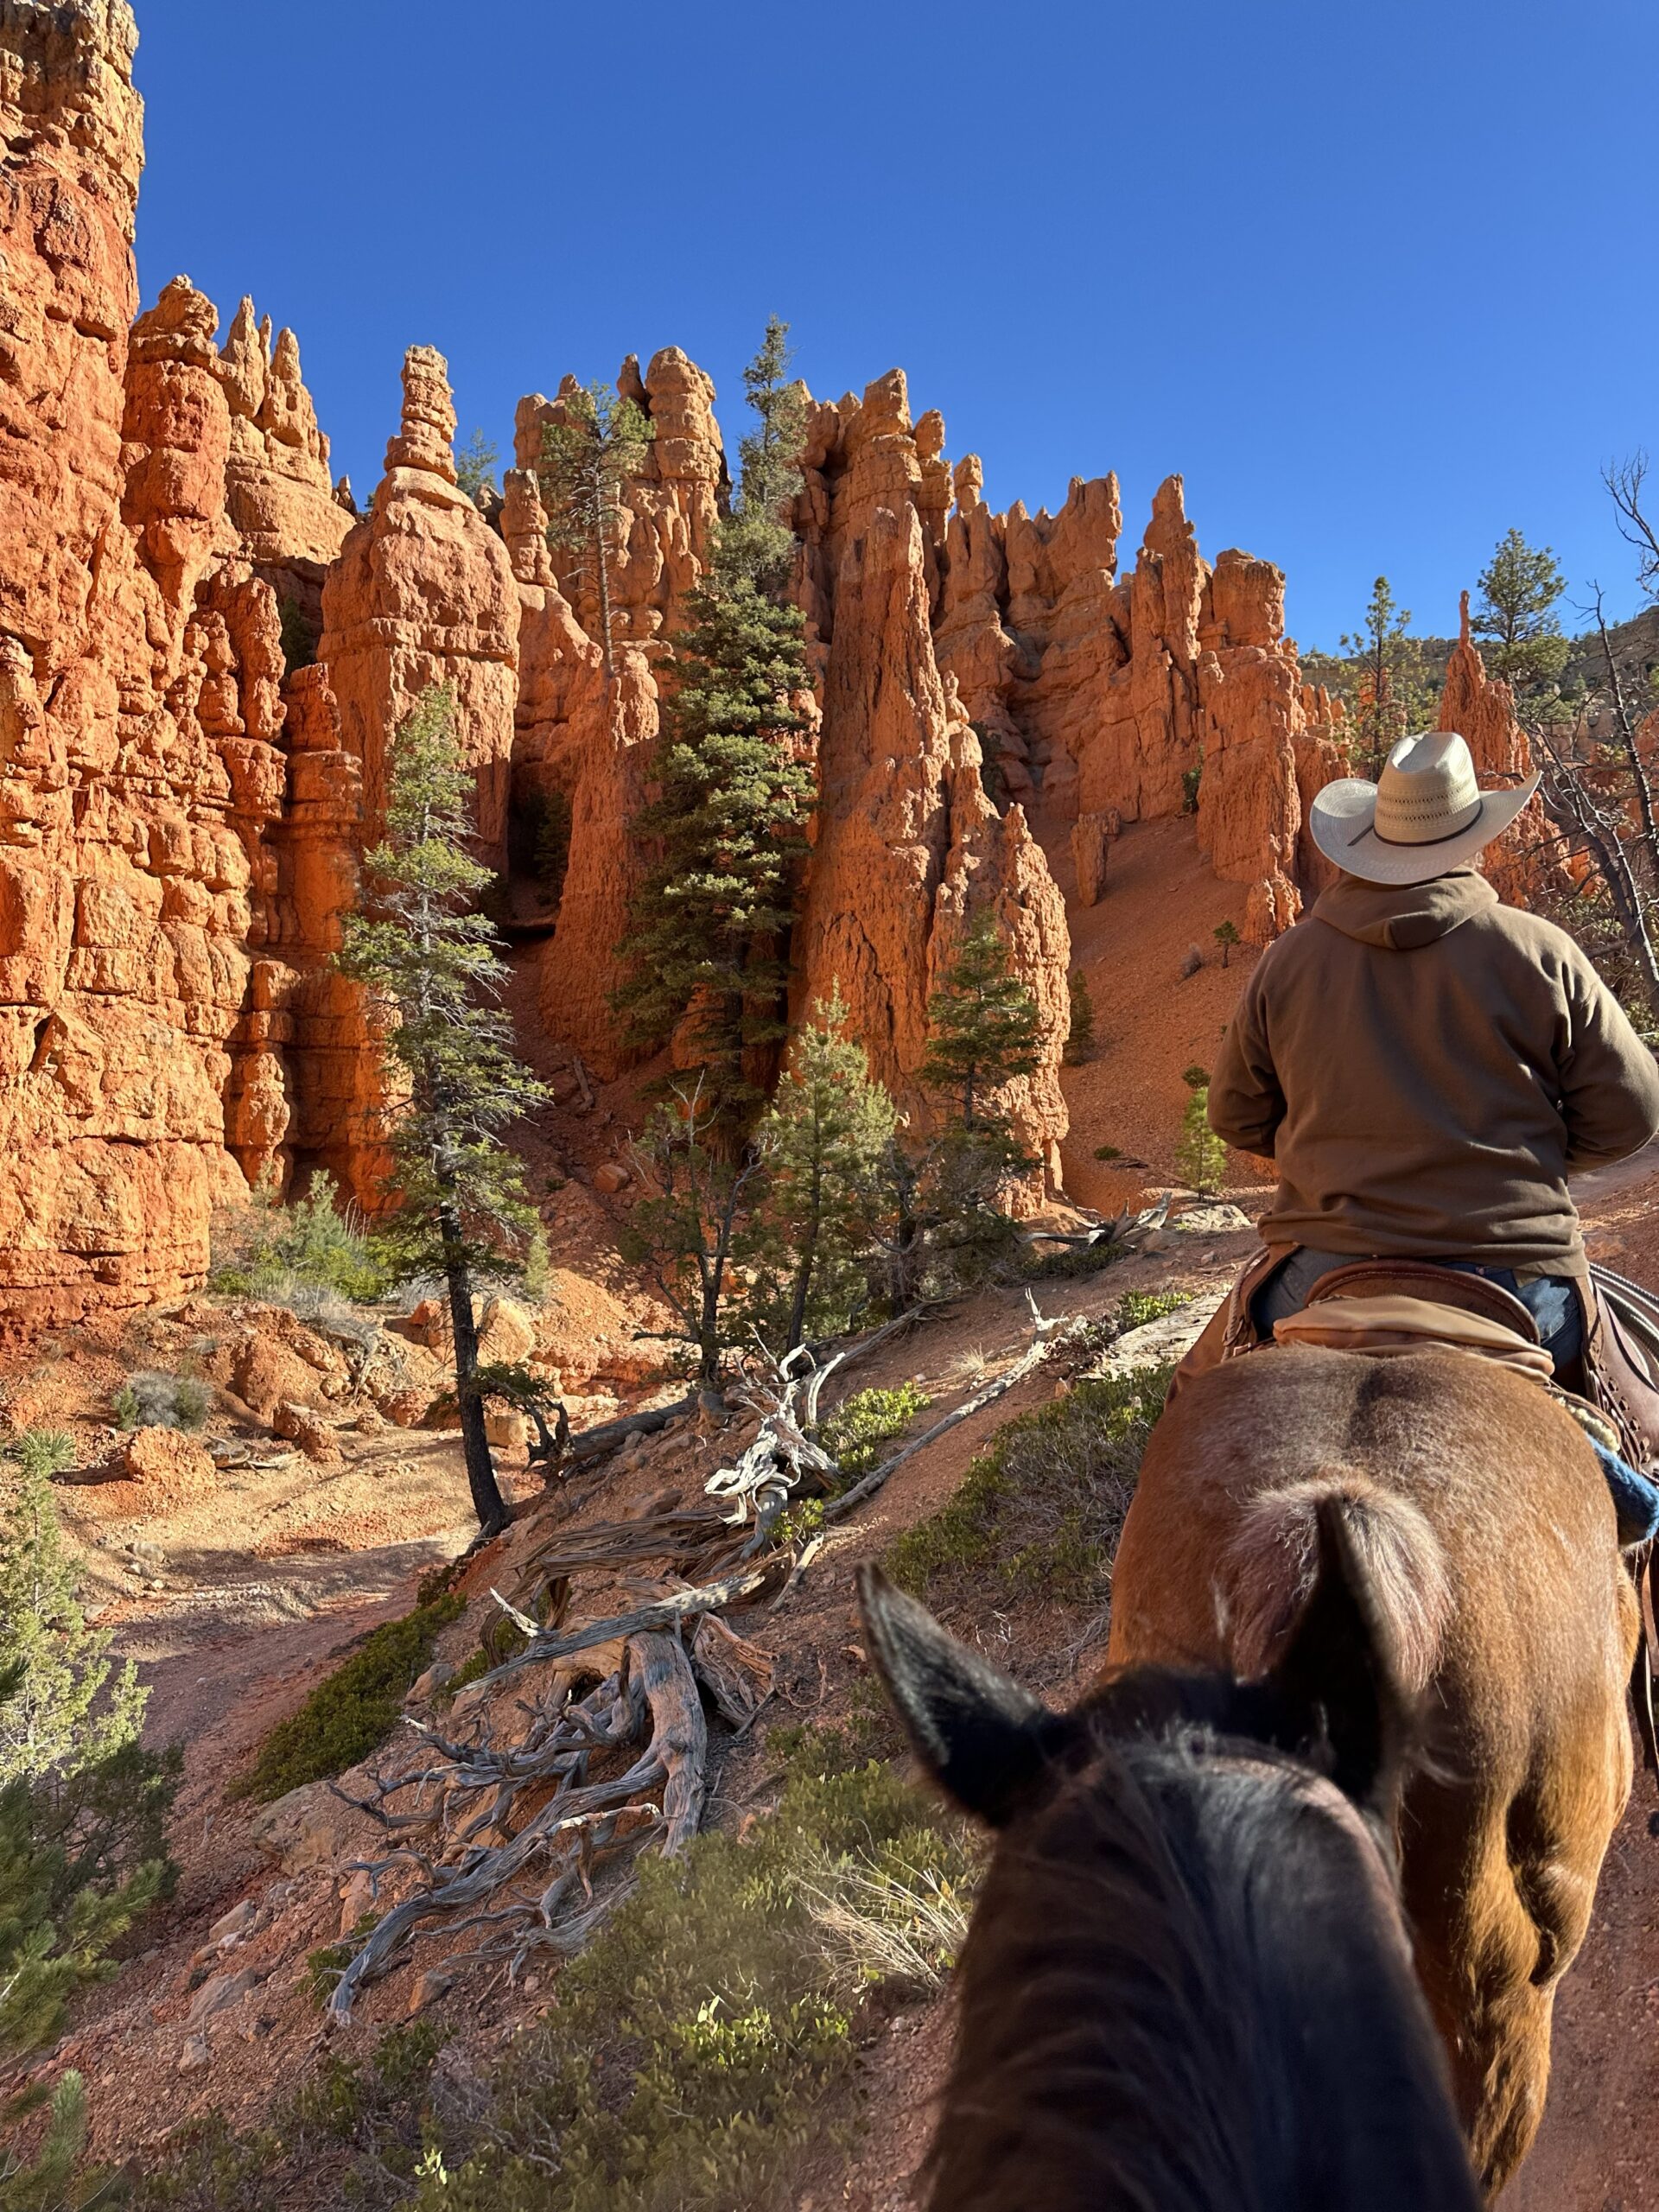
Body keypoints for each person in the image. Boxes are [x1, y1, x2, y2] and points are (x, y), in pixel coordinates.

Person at [1198, 729, 1659, 1382]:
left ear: (1372, 839)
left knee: (1192, 1395)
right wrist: (1527, 1159)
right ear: (1473, 837)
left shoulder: (1288, 961)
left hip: (1321, 1266)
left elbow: (1234, 1115)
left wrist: (1338, 1155)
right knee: (1640, 1417)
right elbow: (1634, 1112)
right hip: (1519, 1273)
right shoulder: (1539, 950)